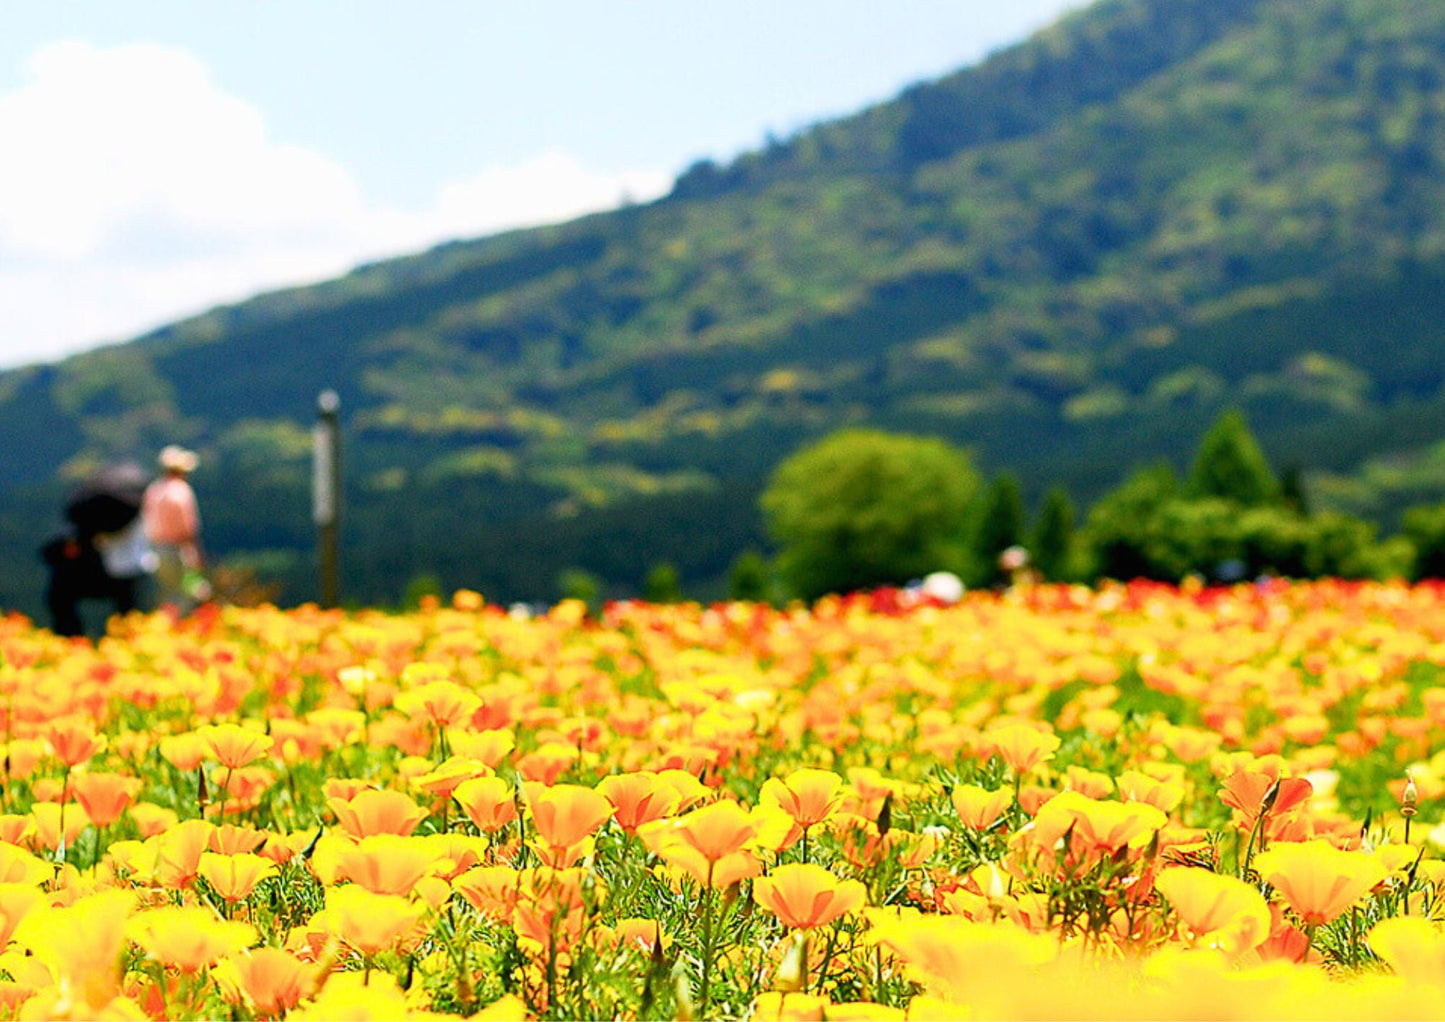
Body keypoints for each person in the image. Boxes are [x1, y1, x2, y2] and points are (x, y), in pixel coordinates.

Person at [143, 445, 208, 611]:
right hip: (177, 550)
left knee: (167, 597)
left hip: (156, 550)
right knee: (185, 598)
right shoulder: (181, 490)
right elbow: (189, 529)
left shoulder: (154, 489)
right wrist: (198, 554)